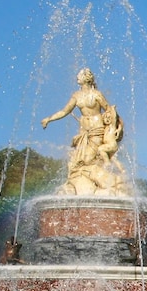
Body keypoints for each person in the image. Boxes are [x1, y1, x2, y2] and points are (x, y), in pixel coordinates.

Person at [41, 68, 129, 196]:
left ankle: (103, 180)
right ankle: (84, 182)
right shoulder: (76, 96)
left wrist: (119, 127)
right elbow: (64, 111)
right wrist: (49, 119)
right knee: (79, 160)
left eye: (79, 76)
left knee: (87, 159)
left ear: (86, 78)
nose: (77, 77)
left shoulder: (97, 94)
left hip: (97, 130)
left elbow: (110, 110)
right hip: (84, 132)